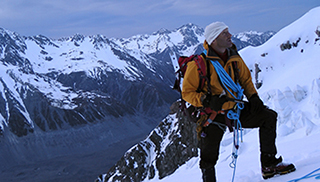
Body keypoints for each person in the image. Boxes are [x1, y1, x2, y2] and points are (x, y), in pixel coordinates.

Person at [182, 22, 296, 181]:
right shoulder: (198, 64)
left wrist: (253, 97)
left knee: (268, 117)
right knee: (208, 156)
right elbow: (187, 92)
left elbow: (245, 80)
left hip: (233, 108)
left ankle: (269, 164)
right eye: (224, 33)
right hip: (212, 114)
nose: (230, 36)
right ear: (214, 39)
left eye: (228, 32)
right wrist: (206, 100)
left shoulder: (233, 57)